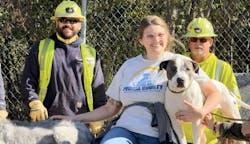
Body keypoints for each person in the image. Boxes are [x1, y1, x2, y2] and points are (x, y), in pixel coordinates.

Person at [51, 15, 222, 144]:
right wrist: (75, 118)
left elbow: (215, 93)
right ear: (141, 40)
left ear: (167, 37)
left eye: (160, 35)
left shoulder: (180, 64)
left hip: (158, 135)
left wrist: (200, 112)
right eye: (150, 36)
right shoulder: (129, 65)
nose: (156, 40)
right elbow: (111, 107)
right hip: (124, 130)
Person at [20, 0, 106, 135]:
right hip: (47, 122)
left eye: (73, 21)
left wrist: (99, 117)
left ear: (80, 24)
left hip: (81, 123)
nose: (68, 24)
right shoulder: (40, 48)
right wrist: (34, 102)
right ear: (56, 22)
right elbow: (27, 82)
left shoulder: (91, 54)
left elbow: (98, 92)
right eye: (63, 20)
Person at [182, 17, 242, 144]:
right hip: (180, 137)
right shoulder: (178, 64)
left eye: (203, 39)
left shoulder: (223, 67)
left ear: (210, 42)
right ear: (189, 42)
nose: (198, 43)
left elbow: (233, 102)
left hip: (212, 139)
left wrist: (226, 131)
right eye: (193, 39)